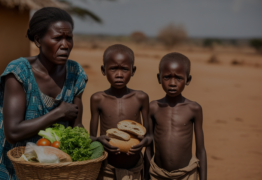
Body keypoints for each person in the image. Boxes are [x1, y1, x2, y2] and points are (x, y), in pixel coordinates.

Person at [0, 7, 88, 180]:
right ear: (38, 40)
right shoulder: (19, 72)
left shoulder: (75, 73)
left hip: (57, 169)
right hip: (17, 169)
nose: (65, 45)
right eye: (57, 38)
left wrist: (91, 142)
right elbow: (12, 132)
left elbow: (76, 126)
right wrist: (59, 113)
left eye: (69, 38)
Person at [89, 44, 152, 180]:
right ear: (103, 70)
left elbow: (150, 136)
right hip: (106, 169)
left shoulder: (140, 98)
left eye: (124, 69)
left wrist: (143, 143)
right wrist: (100, 140)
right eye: (113, 69)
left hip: (134, 169)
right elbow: (92, 137)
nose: (119, 74)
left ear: (133, 70)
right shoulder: (98, 99)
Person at [146, 52, 207, 180]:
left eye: (179, 78)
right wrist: (145, 176)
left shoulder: (194, 109)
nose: (173, 83)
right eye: (167, 77)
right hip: (158, 174)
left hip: (186, 174)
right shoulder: (153, 107)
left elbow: (200, 150)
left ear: (188, 80)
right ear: (159, 78)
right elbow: (148, 147)